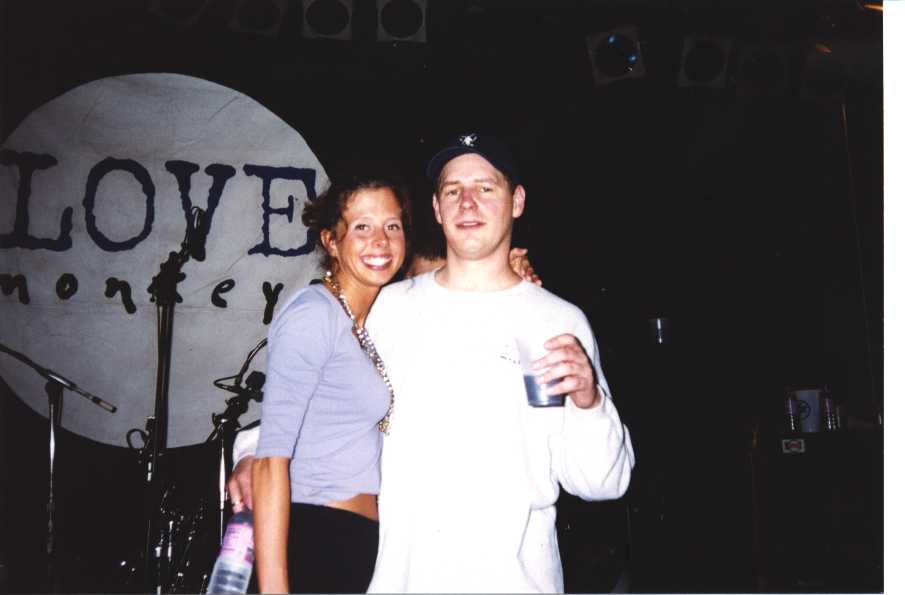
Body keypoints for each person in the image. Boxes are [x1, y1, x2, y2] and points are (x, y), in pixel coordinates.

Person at [232, 134, 634, 593]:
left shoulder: (558, 322)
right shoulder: (390, 309)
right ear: (437, 208)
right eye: (453, 190)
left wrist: (589, 402)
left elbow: (604, 483)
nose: (468, 203)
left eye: (486, 188)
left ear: (517, 201)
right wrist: (250, 451)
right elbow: (328, 399)